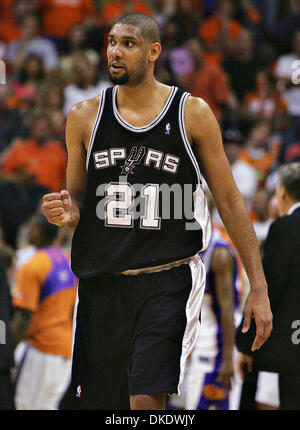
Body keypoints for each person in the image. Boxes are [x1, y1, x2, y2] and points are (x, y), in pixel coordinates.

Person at [42, 13, 272, 411]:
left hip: (167, 280)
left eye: (128, 44)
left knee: (146, 400)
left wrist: (259, 286)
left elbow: (232, 201)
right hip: (102, 283)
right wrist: (66, 213)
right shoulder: (83, 117)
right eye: (112, 41)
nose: (115, 51)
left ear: (153, 52)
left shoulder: (191, 113)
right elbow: (78, 201)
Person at [236, 162, 300, 410]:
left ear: (282, 192)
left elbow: (267, 291)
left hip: (285, 350)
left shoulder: (285, 229)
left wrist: (246, 345)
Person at [11, 214, 77, 410]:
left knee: (24, 406)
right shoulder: (68, 261)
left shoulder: (32, 266)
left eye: (31, 226)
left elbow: (23, 317)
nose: (27, 231)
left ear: (38, 232)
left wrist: (7, 350)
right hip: (65, 350)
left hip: (40, 348)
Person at [185, 200, 243, 410]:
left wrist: (228, 358)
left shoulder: (218, 254)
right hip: (203, 341)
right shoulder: (198, 246)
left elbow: (228, 310)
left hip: (216, 347)